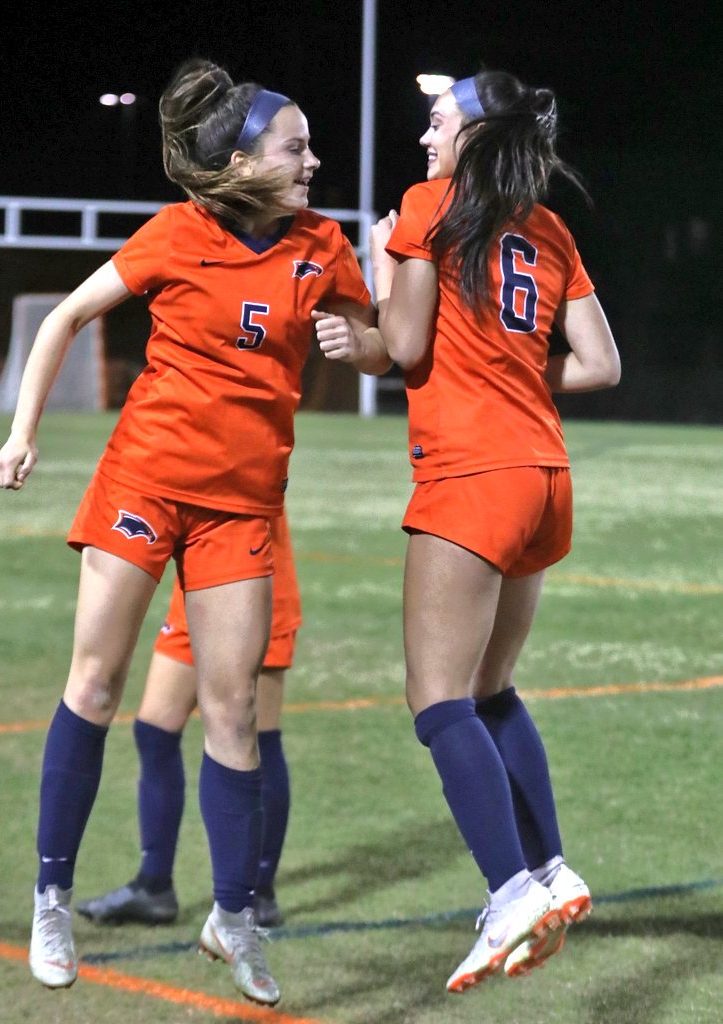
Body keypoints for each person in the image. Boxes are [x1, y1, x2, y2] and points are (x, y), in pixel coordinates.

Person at [0, 57, 389, 1005]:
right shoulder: (176, 234)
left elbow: (388, 354)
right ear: (247, 161)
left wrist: (361, 344)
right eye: (296, 147)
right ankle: (51, 896)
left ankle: (233, 917)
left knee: (236, 712)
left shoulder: (321, 249)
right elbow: (69, 321)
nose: (312, 160)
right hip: (146, 482)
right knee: (94, 683)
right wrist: (22, 432)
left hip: (242, 507)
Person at [369, 70, 621, 994]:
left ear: (473, 136)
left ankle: (511, 889)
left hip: (474, 472)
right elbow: (600, 363)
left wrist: (378, 271)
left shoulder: (428, 204)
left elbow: (401, 345)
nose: (426, 135)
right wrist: (517, 383)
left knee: (439, 702)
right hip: (544, 475)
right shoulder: (549, 226)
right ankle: (553, 870)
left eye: (437, 121)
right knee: (492, 687)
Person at [76, 510, 300, 929]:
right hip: (197, 580)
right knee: (155, 729)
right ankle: (155, 885)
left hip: (254, 574)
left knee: (256, 736)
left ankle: (258, 893)